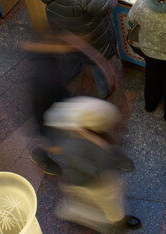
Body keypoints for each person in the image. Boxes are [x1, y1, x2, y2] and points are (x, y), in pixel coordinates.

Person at [31, 0, 122, 99]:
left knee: (70, 55)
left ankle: (69, 77)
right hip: (90, 37)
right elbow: (106, 5)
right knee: (97, 63)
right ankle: (103, 92)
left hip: (63, 31)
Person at [45, 97, 141, 231]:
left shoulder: (83, 128)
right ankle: (116, 220)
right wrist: (111, 163)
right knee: (110, 203)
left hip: (92, 177)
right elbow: (90, 168)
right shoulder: (74, 144)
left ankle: (76, 209)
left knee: (110, 196)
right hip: (93, 181)